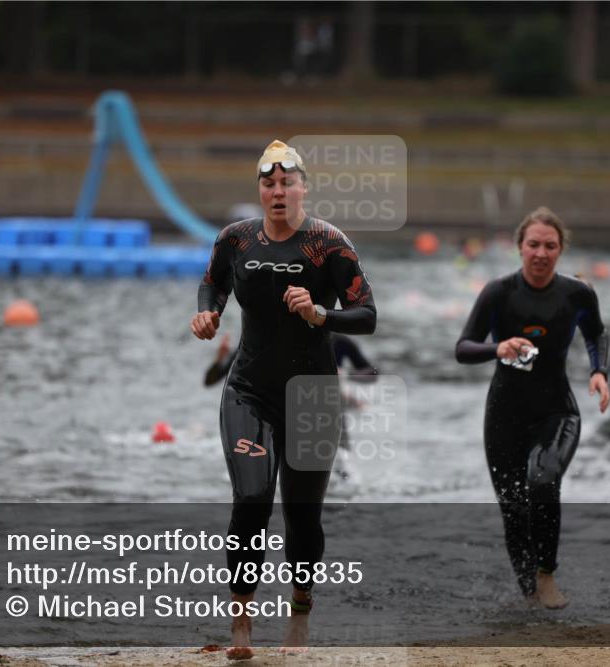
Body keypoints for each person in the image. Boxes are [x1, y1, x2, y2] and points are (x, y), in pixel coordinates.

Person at [190, 140, 376, 659]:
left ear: (303, 189)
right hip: (249, 391)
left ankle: (299, 611)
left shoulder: (328, 244)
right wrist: (208, 315)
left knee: (303, 514)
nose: (278, 192)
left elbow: (367, 315)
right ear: (261, 191)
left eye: (286, 183)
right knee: (251, 500)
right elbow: (212, 287)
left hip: (314, 394)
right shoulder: (236, 239)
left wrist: (321, 314)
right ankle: (242, 622)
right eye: (268, 184)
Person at [454, 206, 609, 609]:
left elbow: (596, 335)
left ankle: (547, 574)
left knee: (543, 477)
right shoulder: (498, 292)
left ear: (560, 250)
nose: (541, 253)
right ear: (520, 247)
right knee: (513, 508)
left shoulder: (577, 293)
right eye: (534, 244)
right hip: (504, 414)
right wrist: (497, 347)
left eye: (550, 246)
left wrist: (599, 372)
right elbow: (463, 348)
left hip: (557, 409)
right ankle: (528, 595)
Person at [203, 333, 377, 388]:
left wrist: (345, 375)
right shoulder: (261, 342)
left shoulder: (338, 342)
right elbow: (210, 381)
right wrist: (220, 360)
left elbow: (373, 374)